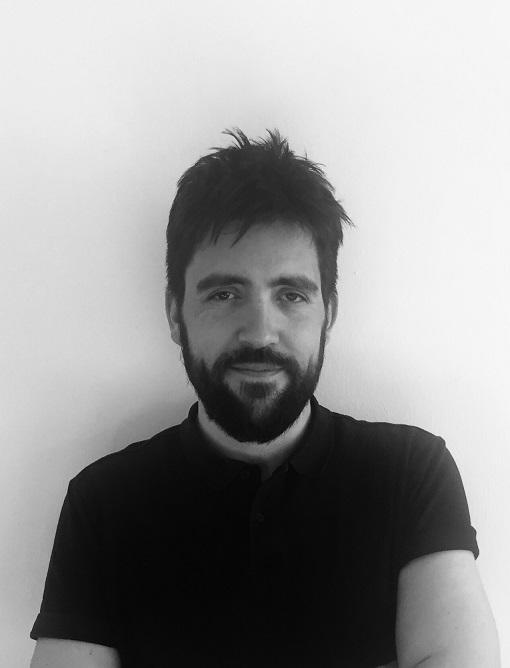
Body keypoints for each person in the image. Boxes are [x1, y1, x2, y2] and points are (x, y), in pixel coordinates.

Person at [30, 129, 500, 668]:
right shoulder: (103, 503)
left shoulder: (411, 473)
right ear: (175, 314)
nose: (259, 332)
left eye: (291, 294)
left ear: (329, 314)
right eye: (224, 294)